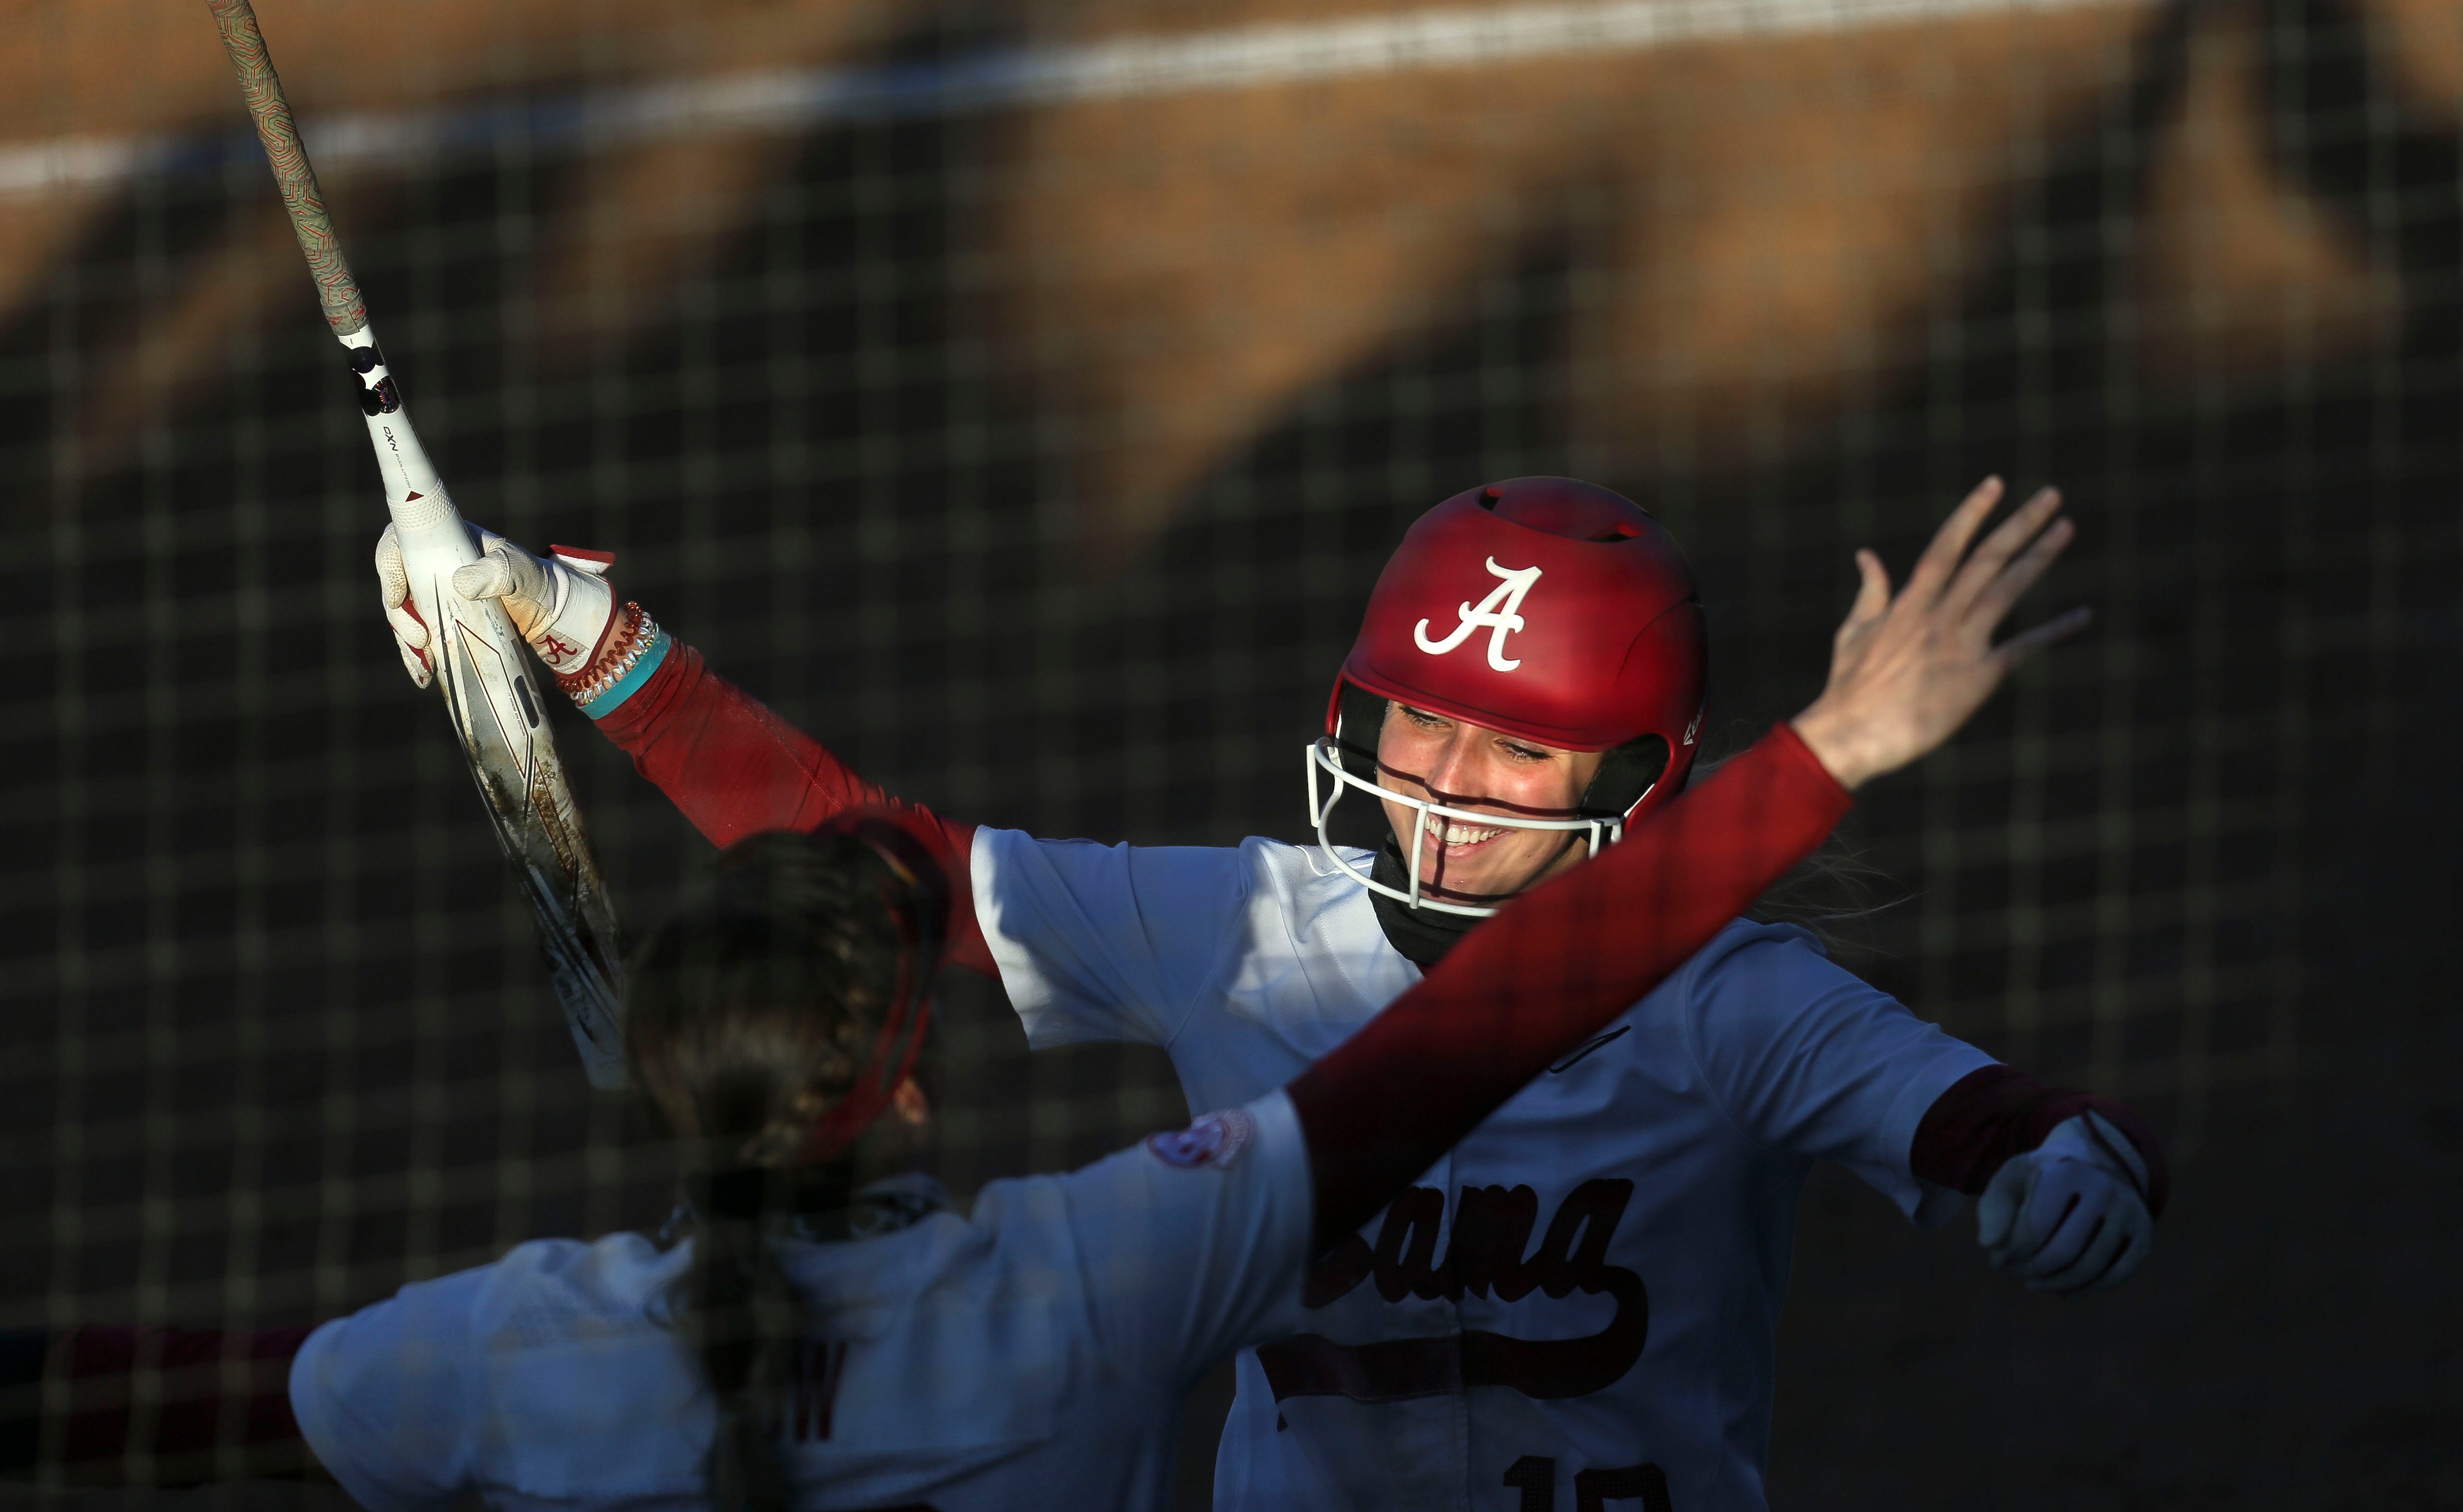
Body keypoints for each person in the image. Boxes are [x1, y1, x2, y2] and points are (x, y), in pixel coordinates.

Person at [17, 487, 2050, 1509]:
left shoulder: (523, 1349)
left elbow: (212, 1402)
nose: (1438, 784)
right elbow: (1474, 1045)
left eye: (1508, 751)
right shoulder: (1101, 1277)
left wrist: (594, 637)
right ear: (904, 1089)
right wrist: (1840, 752)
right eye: (1414, 726)